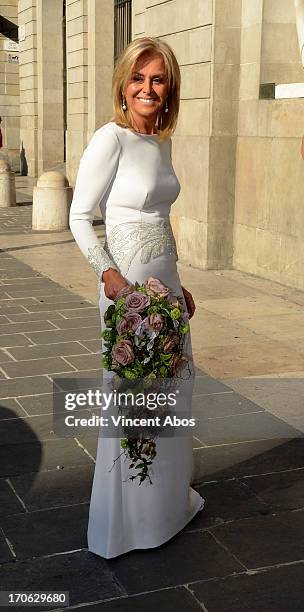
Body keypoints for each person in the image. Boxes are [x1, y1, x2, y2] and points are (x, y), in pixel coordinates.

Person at [69, 36, 205, 559]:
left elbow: (158, 221)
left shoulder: (160, 141)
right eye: (138, 79)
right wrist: (110, 277)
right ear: (123, 86)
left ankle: (166, 509)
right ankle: (126, 526)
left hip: (164, 289)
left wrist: (177, 282)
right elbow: (80, 216)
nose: (147, 89)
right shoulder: (112, 138)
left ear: (169, 89)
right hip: (125, 291)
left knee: (170, 398)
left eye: (158, 79)